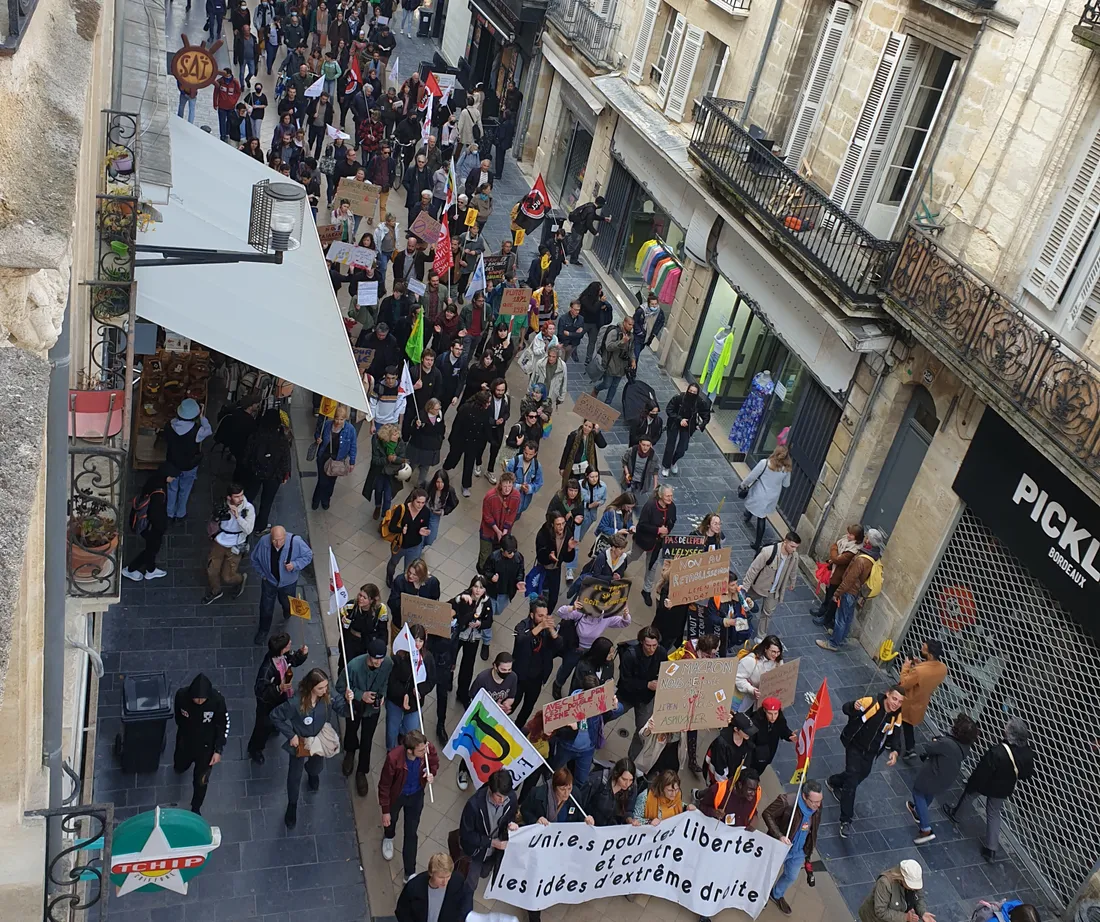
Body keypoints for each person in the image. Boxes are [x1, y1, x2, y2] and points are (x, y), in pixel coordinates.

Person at [271, 668, 353, 827]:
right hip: (301, 742)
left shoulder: (327, 697)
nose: (325, 691)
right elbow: (275, 716)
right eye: (320, 688)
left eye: (326, 687)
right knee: (294, 775)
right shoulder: (295, 703)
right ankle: (292, 805)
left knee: (316, 767)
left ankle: (312, 773)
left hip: (319, 739)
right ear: (311, 687)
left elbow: (343, 710)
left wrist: (349, 701)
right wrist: (291, 735)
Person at [945, 717, 1035, 861]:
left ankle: (957, 815)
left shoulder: (998, 751)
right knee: (994, 812)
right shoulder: (1027, 754)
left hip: (987, 782)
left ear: (1009, 733)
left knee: (969, 796)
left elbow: (983, 771)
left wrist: (972, 783)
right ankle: (991, 848)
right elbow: (1026, 774)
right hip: (1005, 787)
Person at [829, 685, 906, 838]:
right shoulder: (870, 702)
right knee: (852, 781)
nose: (896, 703)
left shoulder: (896, 716)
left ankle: (834, 781)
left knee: (862, 774)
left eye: (900, 701)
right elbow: (846, 709)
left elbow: (896, 735)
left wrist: (895, 751)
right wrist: (853, 705)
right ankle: (846, 820)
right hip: (855, 746)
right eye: (894, 698)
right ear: (887, 694)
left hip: (871, 753)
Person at [909, 711, 979, 845]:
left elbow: (929, 747)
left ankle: (925, 828)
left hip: (933, 774)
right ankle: (919, 811)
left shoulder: (947, 743)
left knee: (918, 792)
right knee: (929, 793)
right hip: (946, 777)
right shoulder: (964, 747)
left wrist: (936, 741)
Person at [336, 638, 393, 796]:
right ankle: (349, 752)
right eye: (375, 658)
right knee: (351, 730)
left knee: (367, 739)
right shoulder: (353, 666)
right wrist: (360, 695)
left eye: (381, 658)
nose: (378, 662)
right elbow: (340, 686)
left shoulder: (387, 664)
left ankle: (362, 771)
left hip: (372, 711)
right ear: (369, 655)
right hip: (354, 706)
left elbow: (386, 681)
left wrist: (382, 696)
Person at [379, 728, 439, 878]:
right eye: (421, 750)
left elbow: (433, 763)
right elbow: (384, 785)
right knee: (391, 820)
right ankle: (389, 836)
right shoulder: (393, 759)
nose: (425, 751)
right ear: (410, 751)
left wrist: (431, 773)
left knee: (411, 833)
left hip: (416, 795)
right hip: (397, 796)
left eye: (425, 747)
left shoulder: (427, 749)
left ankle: (410, 872)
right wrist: (385, 810)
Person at [817, 527, 886, 653]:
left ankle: (833, 643)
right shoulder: (874, 556)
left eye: (866, 537)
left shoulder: (861, 560)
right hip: (856, 591)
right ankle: (841, 637)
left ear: (868, 541)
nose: (864, 538)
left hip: (850, 591)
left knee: (841, 618)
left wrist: (837, 593)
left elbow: (850, 579)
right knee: (848, 616)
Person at [761, 780, 823, 915]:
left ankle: (776, 894)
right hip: (781, 848)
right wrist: (779, 835)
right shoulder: (786, 801)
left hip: (799, 851)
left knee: (791, 876)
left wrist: (808, 850)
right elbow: (767, 814)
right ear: (804, 796)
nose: (818, 805)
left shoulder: (817, 806)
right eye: (814, 802)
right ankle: (761, 895)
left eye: (819, 801)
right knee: (768, 873)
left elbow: (814, 828)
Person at [552, 597, 631, 699]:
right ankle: (558, 684)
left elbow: (624, 622)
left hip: (591, 652)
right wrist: (572, 608)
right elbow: (561, 613)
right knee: (566, 668)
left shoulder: (606, 617)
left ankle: (575, 692)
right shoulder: (581, 612)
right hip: (575, 648)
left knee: (582, 674)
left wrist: (625, 615)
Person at [247, 633, 308, 764]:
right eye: (287, 644)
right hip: (268, 705)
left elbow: (293, 659)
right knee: (262, 727)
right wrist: (278, 688)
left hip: (281, 698)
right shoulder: (267, 669)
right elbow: (261, 692)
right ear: (281, 649)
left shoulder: (283, 656)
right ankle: (255, 749)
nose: (290, 643)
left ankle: (274, 726)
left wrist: (302, 654)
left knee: (276, 719)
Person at [172, 674, 228, 814]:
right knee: (180, 763)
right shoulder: (181, 696)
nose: (199, 701)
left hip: (206, 748)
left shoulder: (217, 701)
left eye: (202, 699)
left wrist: (218, 749)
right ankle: (180, 767)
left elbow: (223, 724)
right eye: (196, 698)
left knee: (201, 780)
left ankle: (196, 806)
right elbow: (178, 716)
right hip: (186, 742)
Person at [250, 526, 314, 645]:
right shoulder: (264, 541)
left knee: (288, 602)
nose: (278, 543)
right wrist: (263, 574)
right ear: (270, 537)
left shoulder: (296, 542)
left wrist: (295, 565)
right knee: (266, 607)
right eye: (274, 540)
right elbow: (254, 559)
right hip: (269, 581)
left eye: (280, 540)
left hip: (288, 583)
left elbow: (308, 555)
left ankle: (287, 611)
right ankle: (263, 630)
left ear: (286, 536)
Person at [457, 768, 520, 886]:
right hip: (475, 852)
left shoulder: (510, 798)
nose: (502, 800)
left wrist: (511, 824)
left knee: (484, 872)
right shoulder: (474, 805)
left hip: (494, 852)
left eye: (505, 796)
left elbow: (511, 817)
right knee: (469, 885)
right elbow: (466, 833)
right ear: (490, 789)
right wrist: (491, 842)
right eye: (499, 796)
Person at [548, 674, 613, 785]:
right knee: (553, 772)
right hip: (567, 747)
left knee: (581, 781)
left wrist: (614, 705)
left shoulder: (598, 703)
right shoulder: (570, 703)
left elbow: (616, 710)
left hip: (587, 750)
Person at [614, 625, 666, 760]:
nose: (652, 649)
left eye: (654, 645)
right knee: (608, 714)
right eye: (648, 645)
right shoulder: (630, 655)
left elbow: (665, 671)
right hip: (627, 696)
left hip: (646, 700)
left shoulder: (661, 653)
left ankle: (631, 759)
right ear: (642, 642)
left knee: (642, 731)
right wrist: (647, 685)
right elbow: (625, 681)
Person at [238, 408, 292, 533]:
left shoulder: (255, 436)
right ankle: (260, 527)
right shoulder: (281, 439)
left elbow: (246, 456)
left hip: (255, 472)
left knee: (249, 497)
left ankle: (242, 520)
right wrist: (285, 474)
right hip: (274, 476)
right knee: (267, 502)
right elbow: (285, 460)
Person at [511, 598, 562, 728]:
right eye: (540, 616)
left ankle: (518, 726)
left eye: (546, 615)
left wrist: (551, 630)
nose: (543, 619)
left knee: (528, 706)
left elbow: (559, 646)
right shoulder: (522, 626)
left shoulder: (547, 630)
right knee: (512, 703)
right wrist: (540, 627)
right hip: (521, 675)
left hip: (537, 677)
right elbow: (521, 641)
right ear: (532, 615)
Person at [386, 621, 437, 749]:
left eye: (421, 640)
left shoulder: (427, 658)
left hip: (415, 702)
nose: (418, 644)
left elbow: (431, 681)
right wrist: (404, 694)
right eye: (415, 640)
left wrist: (420, 690)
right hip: (396, 700)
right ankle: (391, 752)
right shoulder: (400, 656)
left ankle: (403, 738)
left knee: (411, 729)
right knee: (392, 730)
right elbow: (391, 681)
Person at [741, 533, 801, 640]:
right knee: (743, 605)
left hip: (775, 590)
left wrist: (793, 582)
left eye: (796, 547)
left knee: (767, 613)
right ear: (785, 542)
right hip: (759, 587)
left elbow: (793, 569)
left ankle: (760, 637)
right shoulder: (768, 552)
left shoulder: (794, 556)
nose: (794, 550)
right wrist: (745, 587)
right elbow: (753, 569)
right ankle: (738, 628)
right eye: (792, 546)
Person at [202, 483, 255, 605]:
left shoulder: (248, 509)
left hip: (235, 544)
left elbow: (248, 530)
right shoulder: (222, 505)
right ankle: (216, 591)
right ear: (229, 497)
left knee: (228, 576)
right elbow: (213, 521)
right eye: (236, 496)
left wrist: (238, 517)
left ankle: (240, 579)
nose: (240, 499)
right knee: (212, 570)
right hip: (219, 542)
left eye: (241, 495)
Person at [122, 465, 175, 582]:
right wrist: (161, 528)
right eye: (172, 477)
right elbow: (156, 514)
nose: (173, 479)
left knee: (151, 548)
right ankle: (130, 569)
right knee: (152, 549)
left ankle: (150, 570)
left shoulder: (153, 480)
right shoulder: (159, 493)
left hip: (145, 523)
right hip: (151, 527)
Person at [163, 398, 212, 521]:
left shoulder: (169, 425)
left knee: (172, 489)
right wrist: (202, 417)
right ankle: (180, 514)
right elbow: (209, 430)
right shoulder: (197, 431)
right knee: (185, 490)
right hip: (189, 466)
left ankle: (169, 513)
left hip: (172, 464)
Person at [898, 639, 948, 758]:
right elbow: (927, 674)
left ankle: (893, 743)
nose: (921, 649)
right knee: (907, 723)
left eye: (924, 648)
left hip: (908, 699)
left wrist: (906, 667)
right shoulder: (942, 668)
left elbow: (905, 683)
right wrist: (920, 664)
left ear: (929, 654)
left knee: (896, 717)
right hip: (921, 700)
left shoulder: (919, 671)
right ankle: (910, 748)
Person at [451, 576, 494, 707]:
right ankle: (448, 679)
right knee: (451, 658)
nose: (477, 590)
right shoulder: (464, 596)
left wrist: (480, 624)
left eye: (481, 587)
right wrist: (459, 600)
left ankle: (463, 693)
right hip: (459, 634)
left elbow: (489, 621)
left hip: (473, 637)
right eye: (475, 586)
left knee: (467, 666)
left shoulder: (486, 602)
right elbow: (450, 605)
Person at [740, 445, 793, 551]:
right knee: (761, 513)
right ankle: (748, 515)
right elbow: (786, 484)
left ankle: (757, 543)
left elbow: (752, 476)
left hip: (760, 493)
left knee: (761, 516)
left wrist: (743, 484)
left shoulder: (765, 463)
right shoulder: (786, 470)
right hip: (772, 497)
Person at [812, 524, 863, 630]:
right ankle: (822, 610)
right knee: (828, 593)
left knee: (833, 599)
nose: (848, 535)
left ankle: (827, 618)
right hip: (832, 572)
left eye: (851, 535)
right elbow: (834, 546)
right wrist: (835, 554)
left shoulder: (854, 550)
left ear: (857, 537)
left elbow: (838, 559)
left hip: (838, 577)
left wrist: (834, 555)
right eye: (849, 533)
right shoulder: (845, 539)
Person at [395, 853, 472, 922]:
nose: (445, 882)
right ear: (431, 873)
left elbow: (467, 897)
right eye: (441, 877)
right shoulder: (414, 887)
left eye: (448, 876)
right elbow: (401, 912)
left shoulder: (457, 881)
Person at [633, 485, 676, 606]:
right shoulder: (650, 506)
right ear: (661, 496)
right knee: (633, 556)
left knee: (652, 565)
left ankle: (646, 590)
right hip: (643, 540)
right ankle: (620, 566)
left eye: (671, 495)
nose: (670, 498)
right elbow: (642, 525)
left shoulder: (672, 507)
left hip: (657, 544)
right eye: (668, 496)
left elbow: (673, 519)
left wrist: (667, 530)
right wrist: (657, 530)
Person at [444, 391, 492, 496]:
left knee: (469, 464)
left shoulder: (486, 411)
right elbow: (457, 425)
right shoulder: (465, 408)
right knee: (453, 456)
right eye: (487, 402)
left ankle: (465, 485)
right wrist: (453, 439)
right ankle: (445, 469)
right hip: (461, 439)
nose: (489, 404)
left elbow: (486, 426)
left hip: (474, 441)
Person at [382, 488, 432, 586]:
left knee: (409, 569)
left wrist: (422, 531)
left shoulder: (426, 512)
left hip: (414, 546)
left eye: (423, 503)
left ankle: (403, 585)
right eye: (418, 502)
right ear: (412, 500)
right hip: (400, 544)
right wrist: (401, 530)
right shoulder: (402, 509)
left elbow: (425, 525)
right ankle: (389, 576)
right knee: (393, 562)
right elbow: (392, 527)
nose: (420, 505)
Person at [312, 405, 357, 510]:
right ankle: (316, 500)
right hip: (323, 457)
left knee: (331, 482)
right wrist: (318, 438)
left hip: (337, 460)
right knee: (322, 481)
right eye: (337, 418)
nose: (338, 421)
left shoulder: (350, 430)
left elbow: (353, 446)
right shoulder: (327, 425)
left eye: (341, 419)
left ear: (345, 419)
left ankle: (326, 500)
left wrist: (352, 462)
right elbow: (318, 432)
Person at [661, 382, 711, 477]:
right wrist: (679, 419)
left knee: (682, 448)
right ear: (687, 390)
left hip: (688, 426)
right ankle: (666, 466)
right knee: (670, 446)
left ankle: (674, 462)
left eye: (694, 392)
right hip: (675, 423)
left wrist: (701, 425)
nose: (692, 393)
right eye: (690, 390)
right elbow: (669, 409)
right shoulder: (679, 398)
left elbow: (706, 414)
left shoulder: (699, 402)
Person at [858, 861, 933, 922]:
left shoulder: (915, 880)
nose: (914, 889)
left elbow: (918, 897)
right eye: (911, 886)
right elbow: (881, 912)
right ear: (902, 878)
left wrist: (922, 912)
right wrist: (905, 917)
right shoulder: (885, 883)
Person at [478, 471, 522, 571]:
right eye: (505, 486)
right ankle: (482, 574)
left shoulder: (516, 496)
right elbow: (487, 516)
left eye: (509, 486)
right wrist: (497, 531)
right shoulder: (490, 496)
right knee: (485, 555)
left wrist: (504, 532)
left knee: (500, 556)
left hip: (504, 531)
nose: (507, 489)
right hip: (487, 532)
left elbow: (512, 515)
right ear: (500, 484)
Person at [388, 560, 442, 640]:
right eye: (409, 572)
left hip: (421, 626)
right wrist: (409, 603)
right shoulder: (400, 581)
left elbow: (435, 600)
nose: (410, 576)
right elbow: (392, 602)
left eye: (415, 575)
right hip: (401, 624)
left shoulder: (432, 582)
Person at [534, 511, 577, 611]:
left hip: (555, 570)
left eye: (563, 523)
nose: (561, 527)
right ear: (552, 524)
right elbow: (540, 556)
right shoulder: (543, 534)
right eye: (558, 524)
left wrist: (570, 549)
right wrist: (549, 557)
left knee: (553, 598)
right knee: (539, 596)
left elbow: (568, 559)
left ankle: (547, 615)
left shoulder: (568, 534)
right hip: (543, 568)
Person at [589, 316, 635, 406]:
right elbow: (608, 347)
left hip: (622, 365)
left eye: (632, 325)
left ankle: (608, 403)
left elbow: (631, 349)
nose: (631, 327)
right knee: (607, 384)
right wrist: (621, 342)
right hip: (611, 363)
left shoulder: (631, 336)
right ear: (624, 322)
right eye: (629, 324)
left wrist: (633, 360)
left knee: (614, 386)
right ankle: (597, 388)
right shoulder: (614, 332)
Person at [703, 710, 757, 785]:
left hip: (734, 777)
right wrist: (725, 785)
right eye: (746, 731)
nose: (749, 733)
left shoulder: (747, 740)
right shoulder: (722, 743)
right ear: (736, 729)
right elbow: (719, 768)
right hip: (719, 778)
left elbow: (746, 762)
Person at [697, 767, 762, 827]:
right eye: (750, 789)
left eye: (755, 789)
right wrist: (714, 812)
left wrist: (755, 820)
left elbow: (753, 810)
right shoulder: (718, 790)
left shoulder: (754, 795)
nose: (753, 793)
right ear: (740, 785)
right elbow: (701, 806)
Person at [735, 635, 785, 711]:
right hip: (745, 697)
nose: (776, 655)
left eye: (778, 652)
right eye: (773, 652)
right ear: (765, 649)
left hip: (762, 699)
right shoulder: (751, 660)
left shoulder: (778, 661)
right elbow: (737, 678)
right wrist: (751, 689)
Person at [586, 757, 640, 826]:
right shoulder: (598, 780)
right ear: (616, 774)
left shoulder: (632, 788)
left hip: (611, 829)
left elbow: (628, 810)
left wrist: (630, 820)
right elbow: (582, 802)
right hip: (591, 823)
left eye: (631, 780)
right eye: (624, 779)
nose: (627, 784)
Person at [751, 697, 797, 774]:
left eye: (775, 713)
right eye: (770, 713)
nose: (773, 717)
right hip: (755, 754)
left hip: (769, 752)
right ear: (764, 710)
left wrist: (789, 736)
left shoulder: (780, 720)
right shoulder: (755, 721)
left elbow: (784, 730)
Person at [559, 419, 606, 493]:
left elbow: (603, 445)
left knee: (584, 488)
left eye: (589, 427)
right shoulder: (574, 435)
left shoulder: (593, 436)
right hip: (574, 467)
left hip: (587, 467)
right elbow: (566, 451)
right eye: (585, 425)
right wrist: (562, 467)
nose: (586, 428)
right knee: (573, 486)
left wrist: (597, 432)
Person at [423, 469, 459, 547]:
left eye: (442, 482)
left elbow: (454, 503)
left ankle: (424, 544)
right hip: (425, 511)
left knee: (431, 538)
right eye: (438, 482)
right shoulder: (428, 486)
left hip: (435, 514)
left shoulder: (449, 491)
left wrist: (443, 511)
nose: (440, 485)